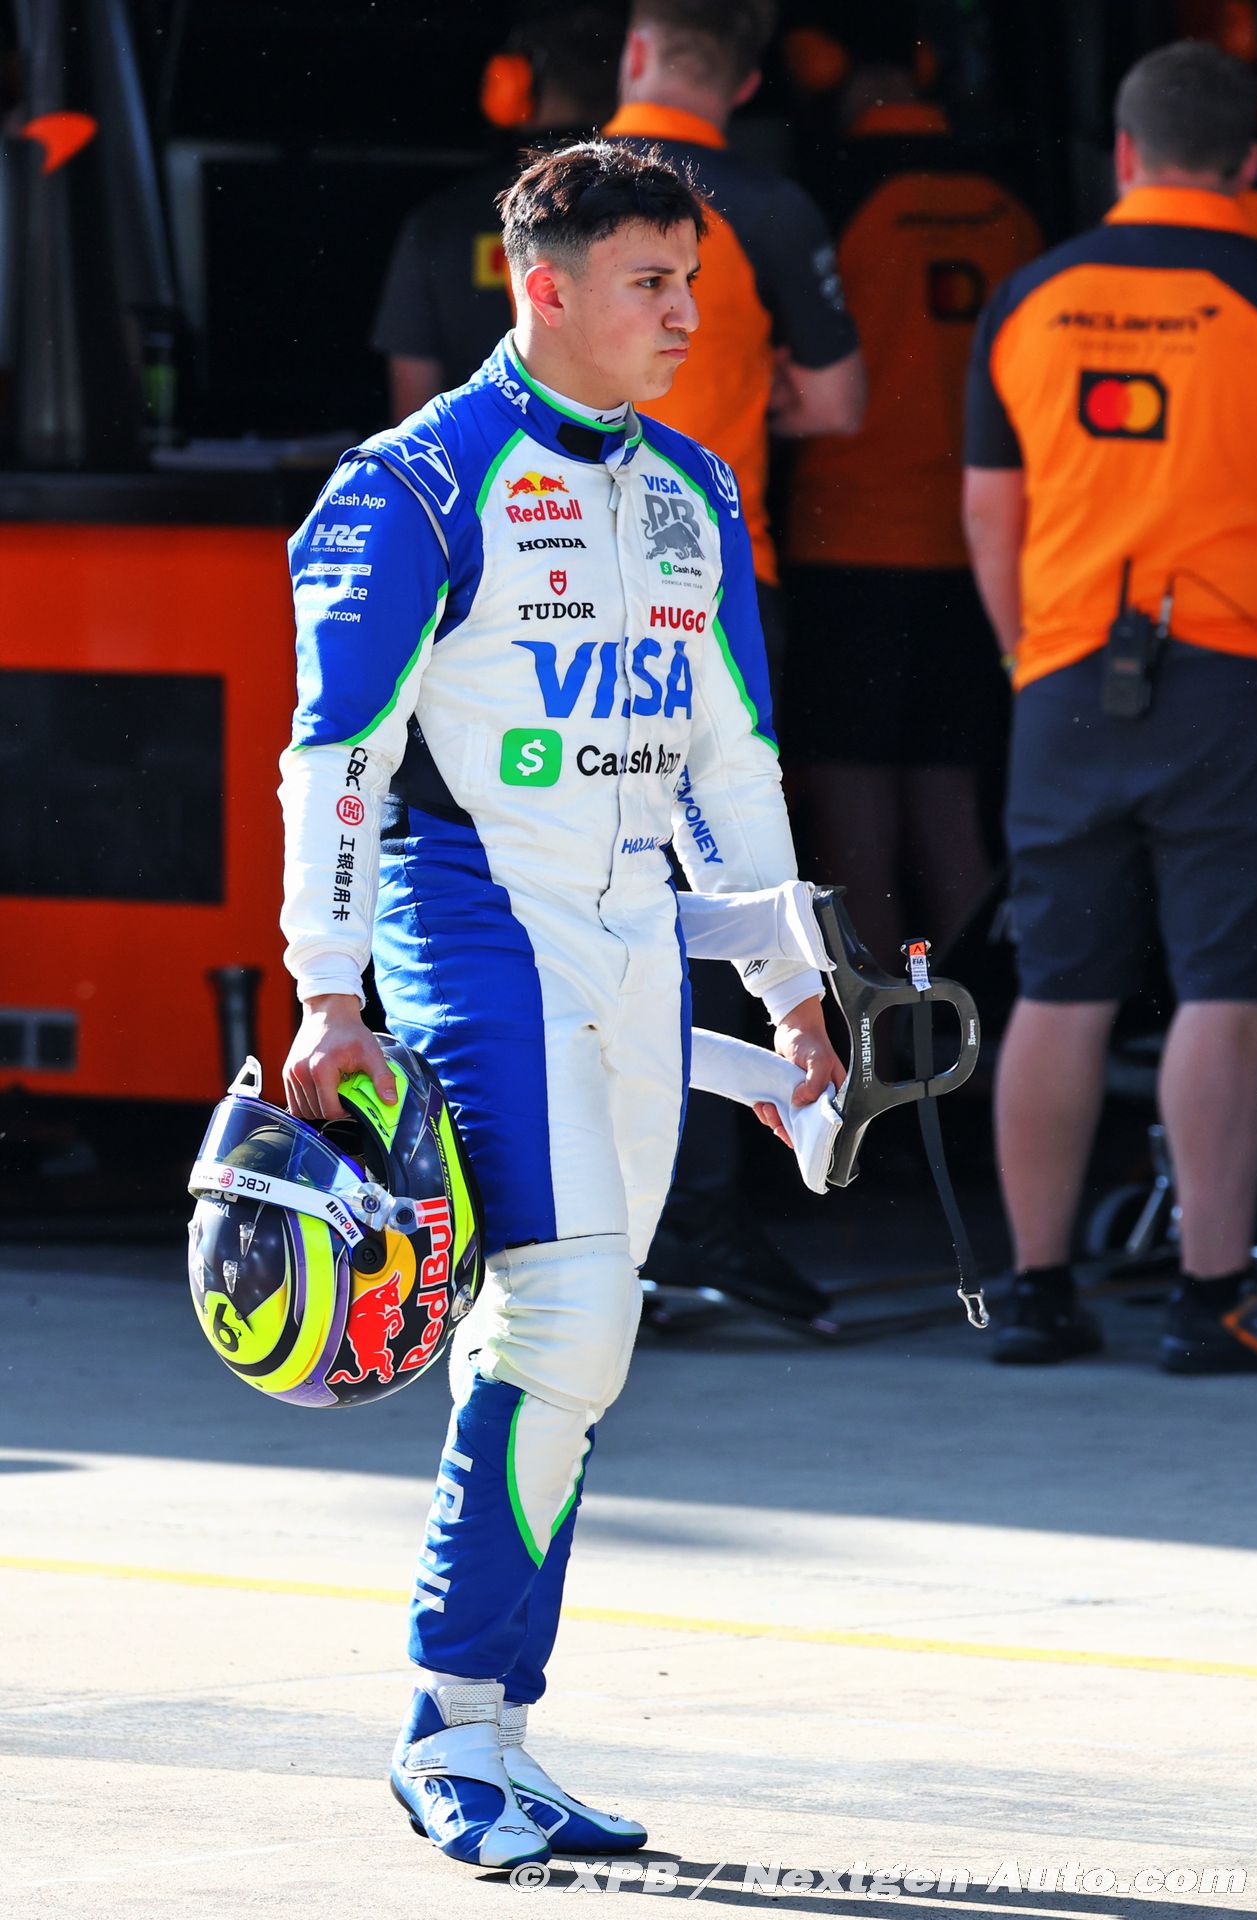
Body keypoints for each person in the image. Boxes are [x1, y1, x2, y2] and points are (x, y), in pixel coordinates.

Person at [278, 139, 844, 1868]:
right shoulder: (412, 485)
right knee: (568, 1322)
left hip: (636, 943)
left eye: (692, 281)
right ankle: (450, 1731)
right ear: (544, 286)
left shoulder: (693, 486)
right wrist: (325, 990)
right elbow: (334, 757)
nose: (686, 315)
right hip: (475, 928)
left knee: (574, 1348)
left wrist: (794, 990)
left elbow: (731, 763)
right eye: (650, 283)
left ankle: (495, 1737)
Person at [963, 39, 1257, 1375]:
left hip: (1063, 676)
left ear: (1125, 153)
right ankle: (1207, 1300)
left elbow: (991, 510)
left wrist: (1026, 658)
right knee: (1227, 989)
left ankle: (1034, 1290)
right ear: (1252, 160)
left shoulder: (1031, 297)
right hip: (1234, 675)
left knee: (1058, 986)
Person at [604, 0, 864, 1324]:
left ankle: (590, 1211)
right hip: (706, 582)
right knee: (711, 880)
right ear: (751, 80)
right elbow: (840, 400)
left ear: (635, 52)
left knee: (574, 883)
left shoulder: (547, 207)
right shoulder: (760, 207)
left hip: (542, 584)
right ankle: (696, 1207)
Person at [783, 18, 1040, 972]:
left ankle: (880, 1037)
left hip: (849, 533)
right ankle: (973, 1022)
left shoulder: (830, 193)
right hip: (978, 542)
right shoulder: (1010, 198)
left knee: (851, 800)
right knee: (950, 798)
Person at [369, 6, 622, 420]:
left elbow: (412, 418)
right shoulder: (669, 219)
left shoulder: (438, 224)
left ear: (512, 85)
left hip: (478, 462)